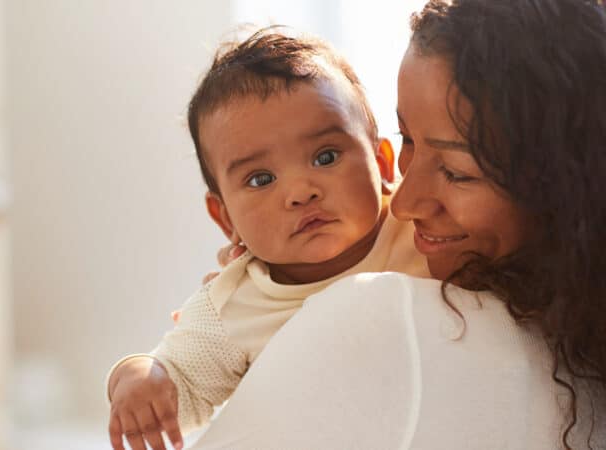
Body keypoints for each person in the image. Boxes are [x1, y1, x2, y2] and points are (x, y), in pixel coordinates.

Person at [189, 1, 606, 448]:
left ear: (568, 188)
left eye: (457, 171)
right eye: (408, 138)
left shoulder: (379, 312)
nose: (403, 203)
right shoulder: (579, 341)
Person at [106, 28, 429, 450]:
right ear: (226, 219)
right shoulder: (232, 303)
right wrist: (134, 376)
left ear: (383, 162)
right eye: (261, 179)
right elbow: (181, 384)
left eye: (325, 156)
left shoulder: (422, 223)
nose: (300, 192)